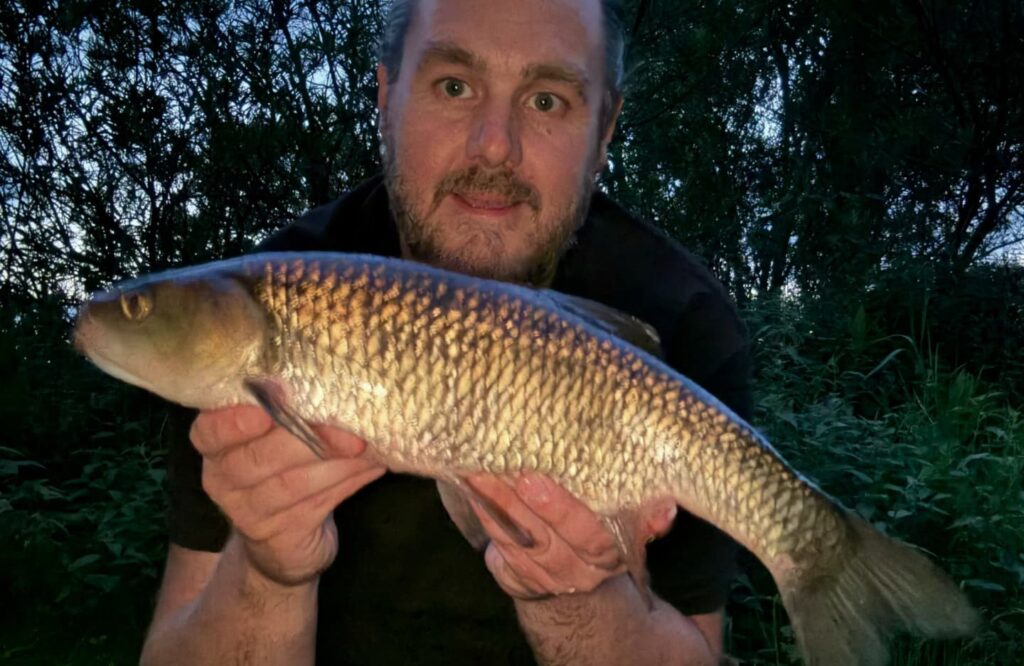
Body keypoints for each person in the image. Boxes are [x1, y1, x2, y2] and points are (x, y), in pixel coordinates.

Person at [140, 0, 752, 664]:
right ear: (386, 96)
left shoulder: (681, 323)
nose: (495, 144)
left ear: (605, 130)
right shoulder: (260, 306)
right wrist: (266, 568)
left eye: (546, 101)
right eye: (454, 86)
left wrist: (579, 599)